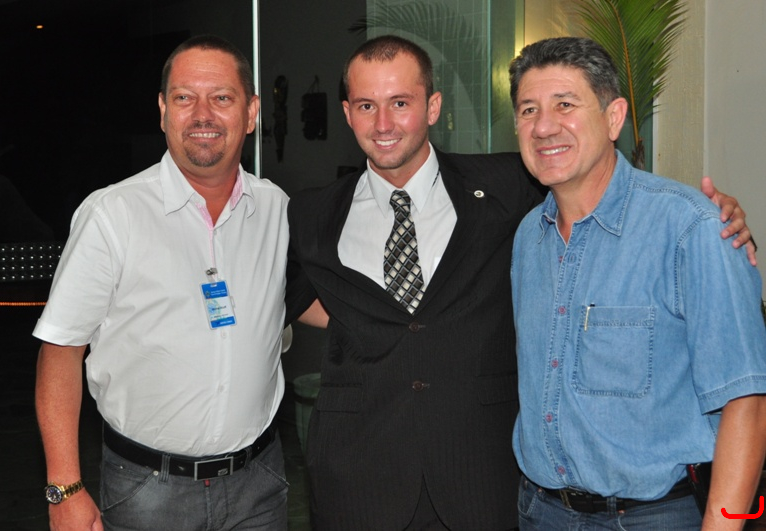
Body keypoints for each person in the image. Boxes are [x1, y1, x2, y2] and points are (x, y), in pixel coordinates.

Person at [285, 34, 754, 530]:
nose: (383, 123)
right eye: (529, 110)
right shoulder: (315, 212)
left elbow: (746, 402)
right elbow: (289, 300)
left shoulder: (511, 192)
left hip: (538, 495)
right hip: (506, 503)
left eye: (400, 102)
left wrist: (715, 225)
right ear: (347, 113)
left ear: (433, 107)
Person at [34, 35, 292, 530]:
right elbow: (61, 350)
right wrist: (63, 488)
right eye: (184, 97)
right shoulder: (112, 215)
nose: (202, 114)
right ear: (163, 110)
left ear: (251, 112)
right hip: (148, 491)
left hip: (260, 483)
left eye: (221, 97)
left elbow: (306, 299)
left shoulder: (276, 210)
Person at [509, 37, 766, 530]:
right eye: (528, 110)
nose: (543, 126)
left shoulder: (691, 229)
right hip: (540, 512)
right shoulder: (528, 238)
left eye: (565, 105)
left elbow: (747, 403)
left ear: (614, 118)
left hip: (654, 517)